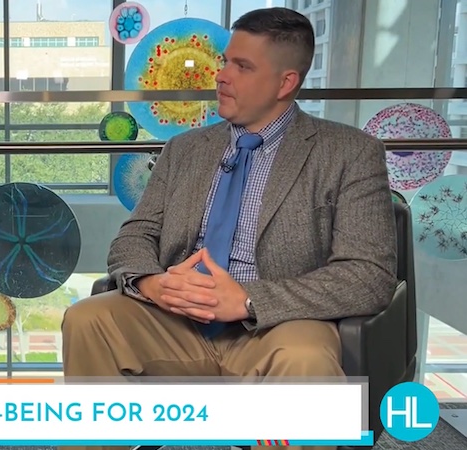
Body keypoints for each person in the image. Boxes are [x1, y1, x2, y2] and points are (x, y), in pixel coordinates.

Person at [61, 8, 397, 450]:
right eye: (225, 61)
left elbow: (368, 276)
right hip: (174, 321)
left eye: (242, 66)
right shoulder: (184, 150)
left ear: (286, 82)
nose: (222, 76)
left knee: (305, 357)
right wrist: (152, 283)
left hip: (278, 327)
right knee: (88, 318)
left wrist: (250, 300)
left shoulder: (349, 153)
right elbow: (134, 236)